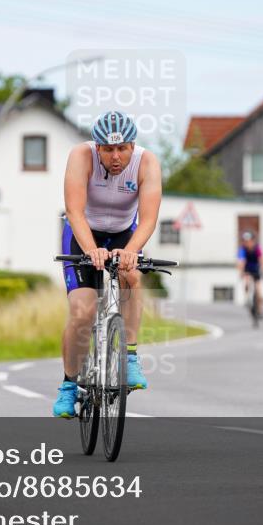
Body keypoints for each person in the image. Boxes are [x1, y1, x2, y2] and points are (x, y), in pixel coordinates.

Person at [53, 110, 163, 418]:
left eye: (122, 148)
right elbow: (74, 211)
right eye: (108, 149)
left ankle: (129, 357)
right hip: (82, 232)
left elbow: (149, 218)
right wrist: (91, 250)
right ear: (97, 147)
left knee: (131, 275)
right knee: (82, 310)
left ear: (132, 146)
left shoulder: (148, 163)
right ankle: (69, 386)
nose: (116, 156)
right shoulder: (80, 156)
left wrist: (131, 251)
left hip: (124, 233)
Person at [237, 231, 263, 321]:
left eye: (249, 240)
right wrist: (241, 272)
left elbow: (262, 260)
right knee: (247, 281)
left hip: (256, 269)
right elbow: (241, 261)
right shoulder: (243, 249)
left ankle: (260, 310)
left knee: (259, 291)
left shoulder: (257, 248)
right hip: (247, 269)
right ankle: (247, 298)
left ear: (253, 240)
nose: (247, 243)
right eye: (245, 241)